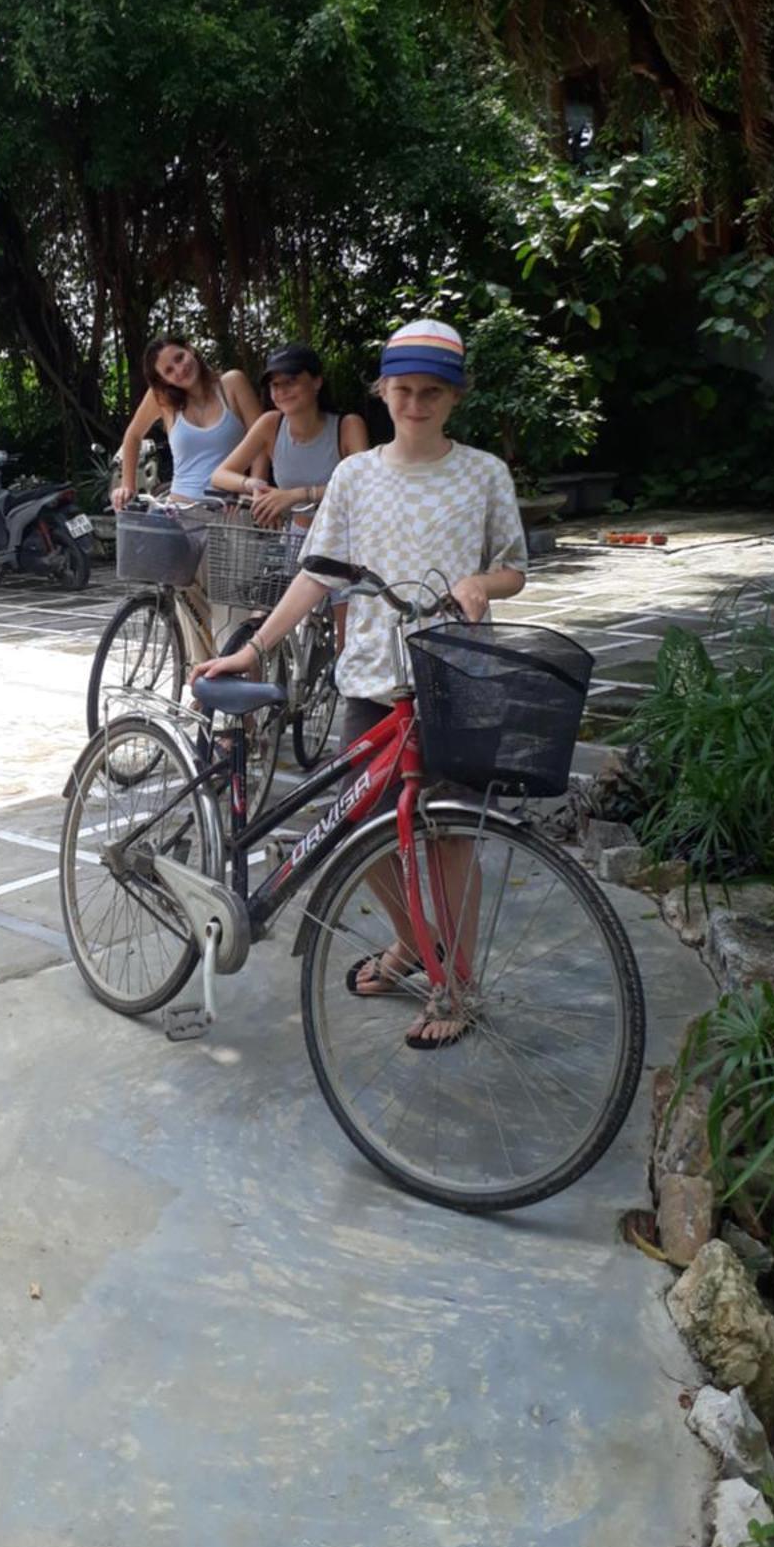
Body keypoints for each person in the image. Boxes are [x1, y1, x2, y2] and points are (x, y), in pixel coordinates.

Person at [194, 317, 528, 1044]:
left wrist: (481, 584)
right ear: (381, 391)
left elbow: (514, 567)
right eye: (402, 390)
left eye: (431, 392)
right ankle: (414, 944)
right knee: (357, 828)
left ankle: (456, 985)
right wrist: (256, 648)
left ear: (454, 397)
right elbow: (318, 571)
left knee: (450, 841)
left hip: (456, 677)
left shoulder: (483, 474)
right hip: (373, 677)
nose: (415, 404)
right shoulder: (355, 475)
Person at [211, 341, 368, 528]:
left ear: (316, 381)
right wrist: (253, 485)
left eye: (291, 381)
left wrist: (296, 495)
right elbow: (219, 475)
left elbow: (362, 486)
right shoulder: (270, 424)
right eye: (275, 385)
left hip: (343, 538)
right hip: (295, 538)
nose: (282, 391)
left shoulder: (348, 426)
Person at [109, 338, 262, 509]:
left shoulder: (232, 384)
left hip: (230, 512)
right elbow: (133, 435)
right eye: (169, 370)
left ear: (190, 349)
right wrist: (127, 487)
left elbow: (262, 442)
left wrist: (254, 493)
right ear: (164, 380)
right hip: (178, 512)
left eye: (179, 357)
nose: (180, 369)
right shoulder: (161, 399)